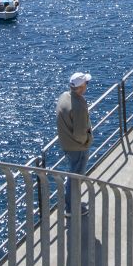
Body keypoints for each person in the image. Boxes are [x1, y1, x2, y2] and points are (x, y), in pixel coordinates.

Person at [56, 71, 93, 213]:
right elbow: (80, 133)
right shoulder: (79, 105)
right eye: (86, 83)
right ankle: (72, 209)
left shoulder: (64, 96)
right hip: (77, 147)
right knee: (76, 177)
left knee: (72, 174)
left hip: (66, 143)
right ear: (81, 87)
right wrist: (86, 141)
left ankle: (70, 203)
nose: (87, 86)